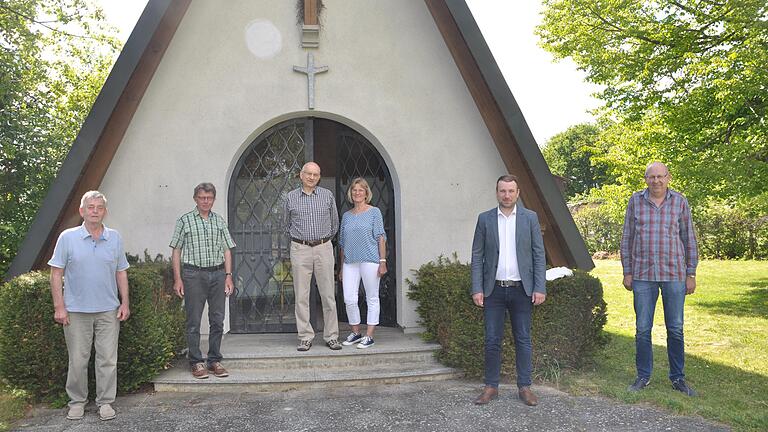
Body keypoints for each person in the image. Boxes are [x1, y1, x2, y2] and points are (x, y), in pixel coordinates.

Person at [48, 191, 130, 421]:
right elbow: (56, 274)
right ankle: (76, 402)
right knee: (78, 360)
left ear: (105, 212)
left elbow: (121, 272)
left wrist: (125, 302)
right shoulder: (67, 237)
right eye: (90, 207)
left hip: (108, 311)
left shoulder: (114, 238)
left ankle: (105, 403)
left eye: (99, 207)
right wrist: (59, 306)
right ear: (81, 210)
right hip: (76, 311)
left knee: (107, 359)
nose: (95, 211)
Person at [621, 162, 699, 396]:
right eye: (652, 177)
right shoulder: (635, 201)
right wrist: (627, 271)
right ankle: (643, 376)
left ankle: (678, 378)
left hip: (674, 274)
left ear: (669, 177)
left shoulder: (680, 202)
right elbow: (627, 237)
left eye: (660, 176)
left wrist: (691, 273)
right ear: (645, 179)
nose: (656, 181)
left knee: (675, 328)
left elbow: (689, 238)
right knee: (642, 329)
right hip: (643, 275)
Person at [470, 174, 546, 406]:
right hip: (493, 290)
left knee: (523, 339)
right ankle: (491, 386)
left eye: (511, 191)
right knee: (492, 340)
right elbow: (477, 255)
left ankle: (524, 387)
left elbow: (538, 254)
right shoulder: (485, 219)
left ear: (518, 193)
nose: (506, 195)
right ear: (497, 192)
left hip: (522, 290)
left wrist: (540, 287)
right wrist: (477, 288)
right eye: (502, 191)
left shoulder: (529, 218)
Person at [170, 183, 236, 379]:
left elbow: (227, 249)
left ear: (213, 200)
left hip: (217, 274)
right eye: (202, 197)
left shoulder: (219, 221)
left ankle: (214, 360)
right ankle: (196, 362)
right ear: (195, 199)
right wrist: (177, 278)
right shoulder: (185, 221)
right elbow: (176, 250)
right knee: (194, 321)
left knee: (217, 319)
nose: (205, 201)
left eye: (209, 198)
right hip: (193, 275)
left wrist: (228, 276)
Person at [284, 162, 342, 351]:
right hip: (300, 249)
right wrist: (300, 242)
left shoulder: (327, 196)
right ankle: (305, 336)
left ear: (319, 176)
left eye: (315, 174)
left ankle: (331, 336)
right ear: (301, 175)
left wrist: (323, 242)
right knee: (301, 295)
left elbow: (335, 224)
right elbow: (285, 224)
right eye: (308, 173)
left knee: (328, 294)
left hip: (323, 248)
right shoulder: (291, 197)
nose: (311, 177)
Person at [338, 178, 387, 349]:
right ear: (351, 193)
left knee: (372, 298)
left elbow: (380, 237)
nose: (357, 193)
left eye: (360, 190)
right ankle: (356, 332)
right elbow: (342, 243)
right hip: (350, 262)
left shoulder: (374, 212)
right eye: (354, 190)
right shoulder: (346, 216)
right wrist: (341, 267)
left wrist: (383, 261)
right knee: (349, 299)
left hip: (370, 260)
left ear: (366, 193)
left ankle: (370, 335)